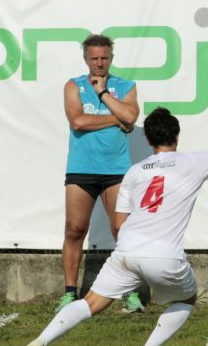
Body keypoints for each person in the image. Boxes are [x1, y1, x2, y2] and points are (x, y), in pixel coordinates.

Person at [5, 107, 208, 346]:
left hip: (126, 249)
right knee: (187, 298)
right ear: (177, 136)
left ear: (149, 140)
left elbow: (118, 222)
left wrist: (129, 251)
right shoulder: (192, 161)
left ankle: (39, 342)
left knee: (91, 302)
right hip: (164, 254)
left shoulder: (135, 171)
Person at [58, 33, 145, 314]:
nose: (99, 63)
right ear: (86, 59)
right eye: (94, 58)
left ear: (111, 58)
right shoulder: (73, 86)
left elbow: (131, 117)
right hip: (82, 168)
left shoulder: (125, 86)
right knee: (75, 230)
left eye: (104, 58)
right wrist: (116, 118)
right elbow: (78, 121)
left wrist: (103, 94)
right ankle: (70, 293)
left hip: (116, 170)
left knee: (122, 230)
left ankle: (129, 293)